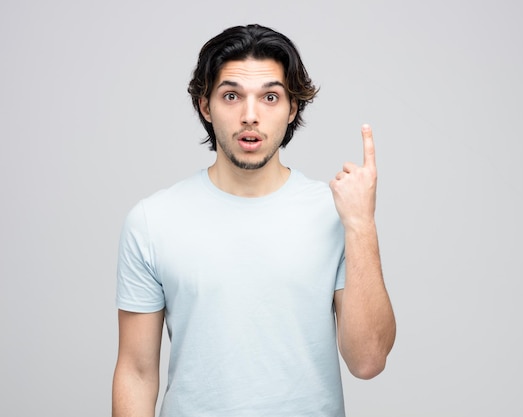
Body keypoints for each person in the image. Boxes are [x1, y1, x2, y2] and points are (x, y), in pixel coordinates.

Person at [112, 23, 396, 417]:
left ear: (292, 107)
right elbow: (137, 371)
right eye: (231, 96)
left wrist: (362, 224)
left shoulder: (336, 214)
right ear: (205, 106)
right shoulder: (152, 221)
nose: (250, 115)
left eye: (270, 97)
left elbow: (368, 361)